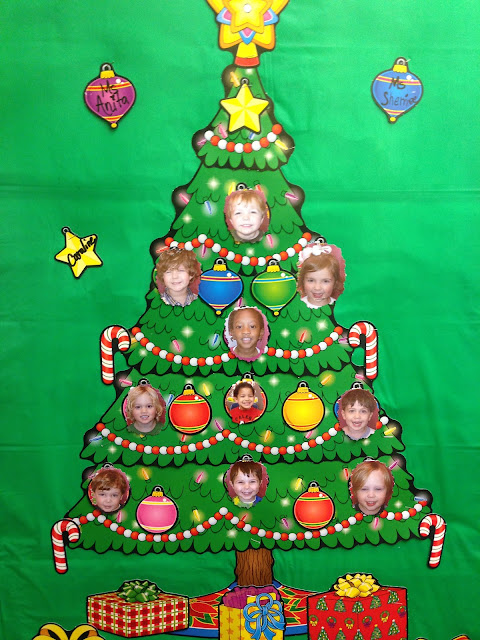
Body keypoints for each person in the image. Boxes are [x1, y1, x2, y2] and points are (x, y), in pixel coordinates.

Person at [296, 243, 346, 309]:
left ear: (335, 283)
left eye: (325, 281)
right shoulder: (297, 306)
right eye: (311, 280)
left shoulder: (340, 308)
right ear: (303, 281)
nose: (317, 288)